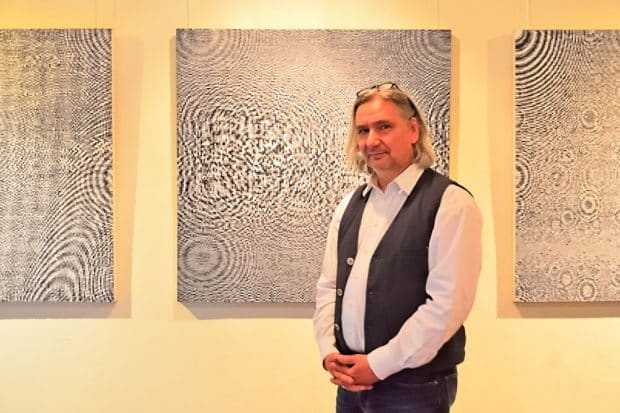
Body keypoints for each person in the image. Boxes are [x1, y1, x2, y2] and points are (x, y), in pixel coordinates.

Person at [313, 82, 482, 412]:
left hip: (414, 389)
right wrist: (328, 351)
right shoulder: (349, 206)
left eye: (384, 127)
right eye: (363, 130)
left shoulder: (451, 203)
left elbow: (447, 306)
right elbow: (329, 286)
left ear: (413, 130)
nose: (371, 140)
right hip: (349, 385)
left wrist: (378, 365)